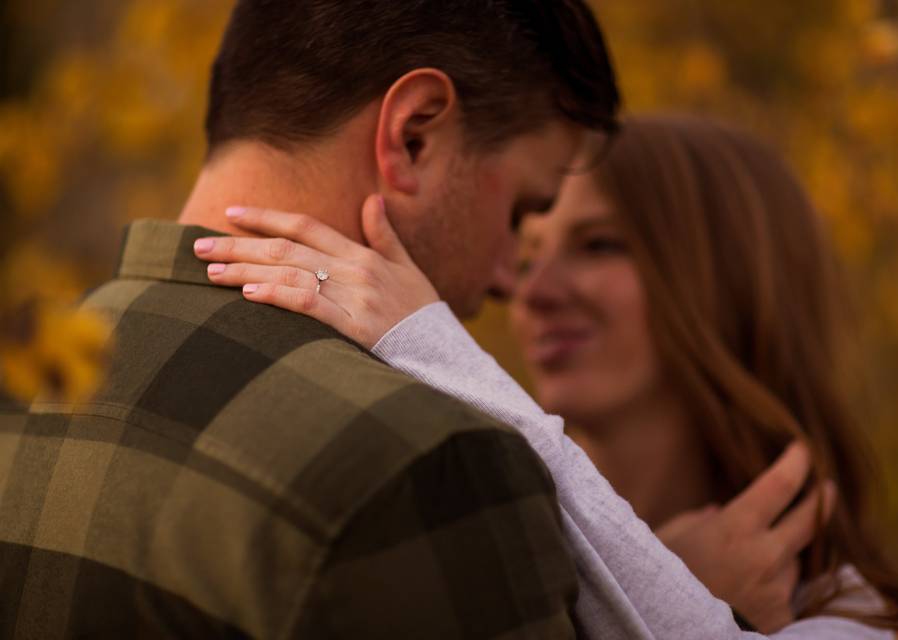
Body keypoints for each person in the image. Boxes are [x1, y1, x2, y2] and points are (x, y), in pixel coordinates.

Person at [0, 3, 819, 639]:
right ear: (415, 136)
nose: (513, 280)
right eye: (524, 213)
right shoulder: (428, 466)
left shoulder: (21, 384)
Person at [197, 115, 898, 639]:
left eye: (597, 246)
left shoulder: (859, 618)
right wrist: (679, 587)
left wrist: (425, 342)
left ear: (731, 281)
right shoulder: (491, 561)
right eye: (527, 258)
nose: (536, 289)